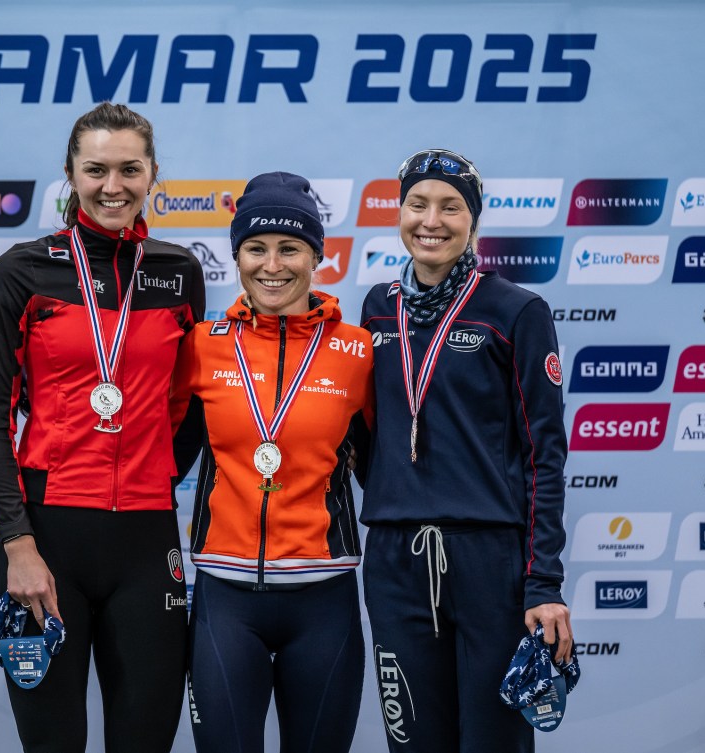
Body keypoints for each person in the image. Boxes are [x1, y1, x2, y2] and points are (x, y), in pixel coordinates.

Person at [0, 102, 205, 753]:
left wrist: (151, 475)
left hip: (144, 540)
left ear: (153, 172)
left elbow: (185, 405)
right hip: (46, 545)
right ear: (69, 174)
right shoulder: (21, 272)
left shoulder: (177, 272)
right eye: (95, 169)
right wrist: (18, 542)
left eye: (129, 169)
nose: (113, 186)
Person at [359, 148, 574, 753]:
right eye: (418, 204)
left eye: (451, 207)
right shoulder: (378, 311)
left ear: (473, 221)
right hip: (396, 561)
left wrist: (544, 583)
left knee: (492, 743)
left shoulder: (516, 311)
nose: (432, 220)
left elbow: (544, 457)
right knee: (413, 744)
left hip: (489, 562)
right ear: (399, 212)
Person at [169, 172, 373, 753]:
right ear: (237, 256)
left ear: (317, 256)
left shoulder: (357, 351)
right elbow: (164, 456)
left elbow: (384, 470)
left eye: (291, 248)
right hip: (225, 599)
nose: (272, 264)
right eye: (256, 248)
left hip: (325, 597)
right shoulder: (202, 344)